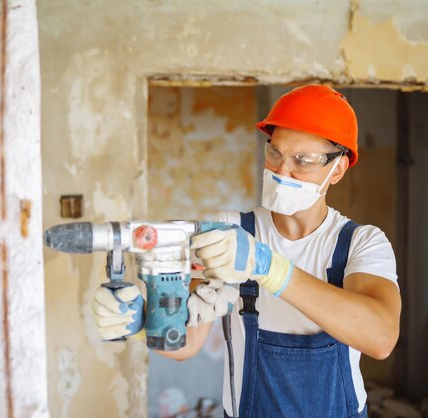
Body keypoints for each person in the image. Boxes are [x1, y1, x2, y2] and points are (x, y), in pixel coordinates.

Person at [92, 84, 401, 417]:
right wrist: (140, 323)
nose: (282, 171)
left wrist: (270, 268)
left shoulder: (362, 243)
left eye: (303, 160)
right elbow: (188, 342)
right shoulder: (228, 232)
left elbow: (381, 338)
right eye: (275, 153)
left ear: (337, 169)